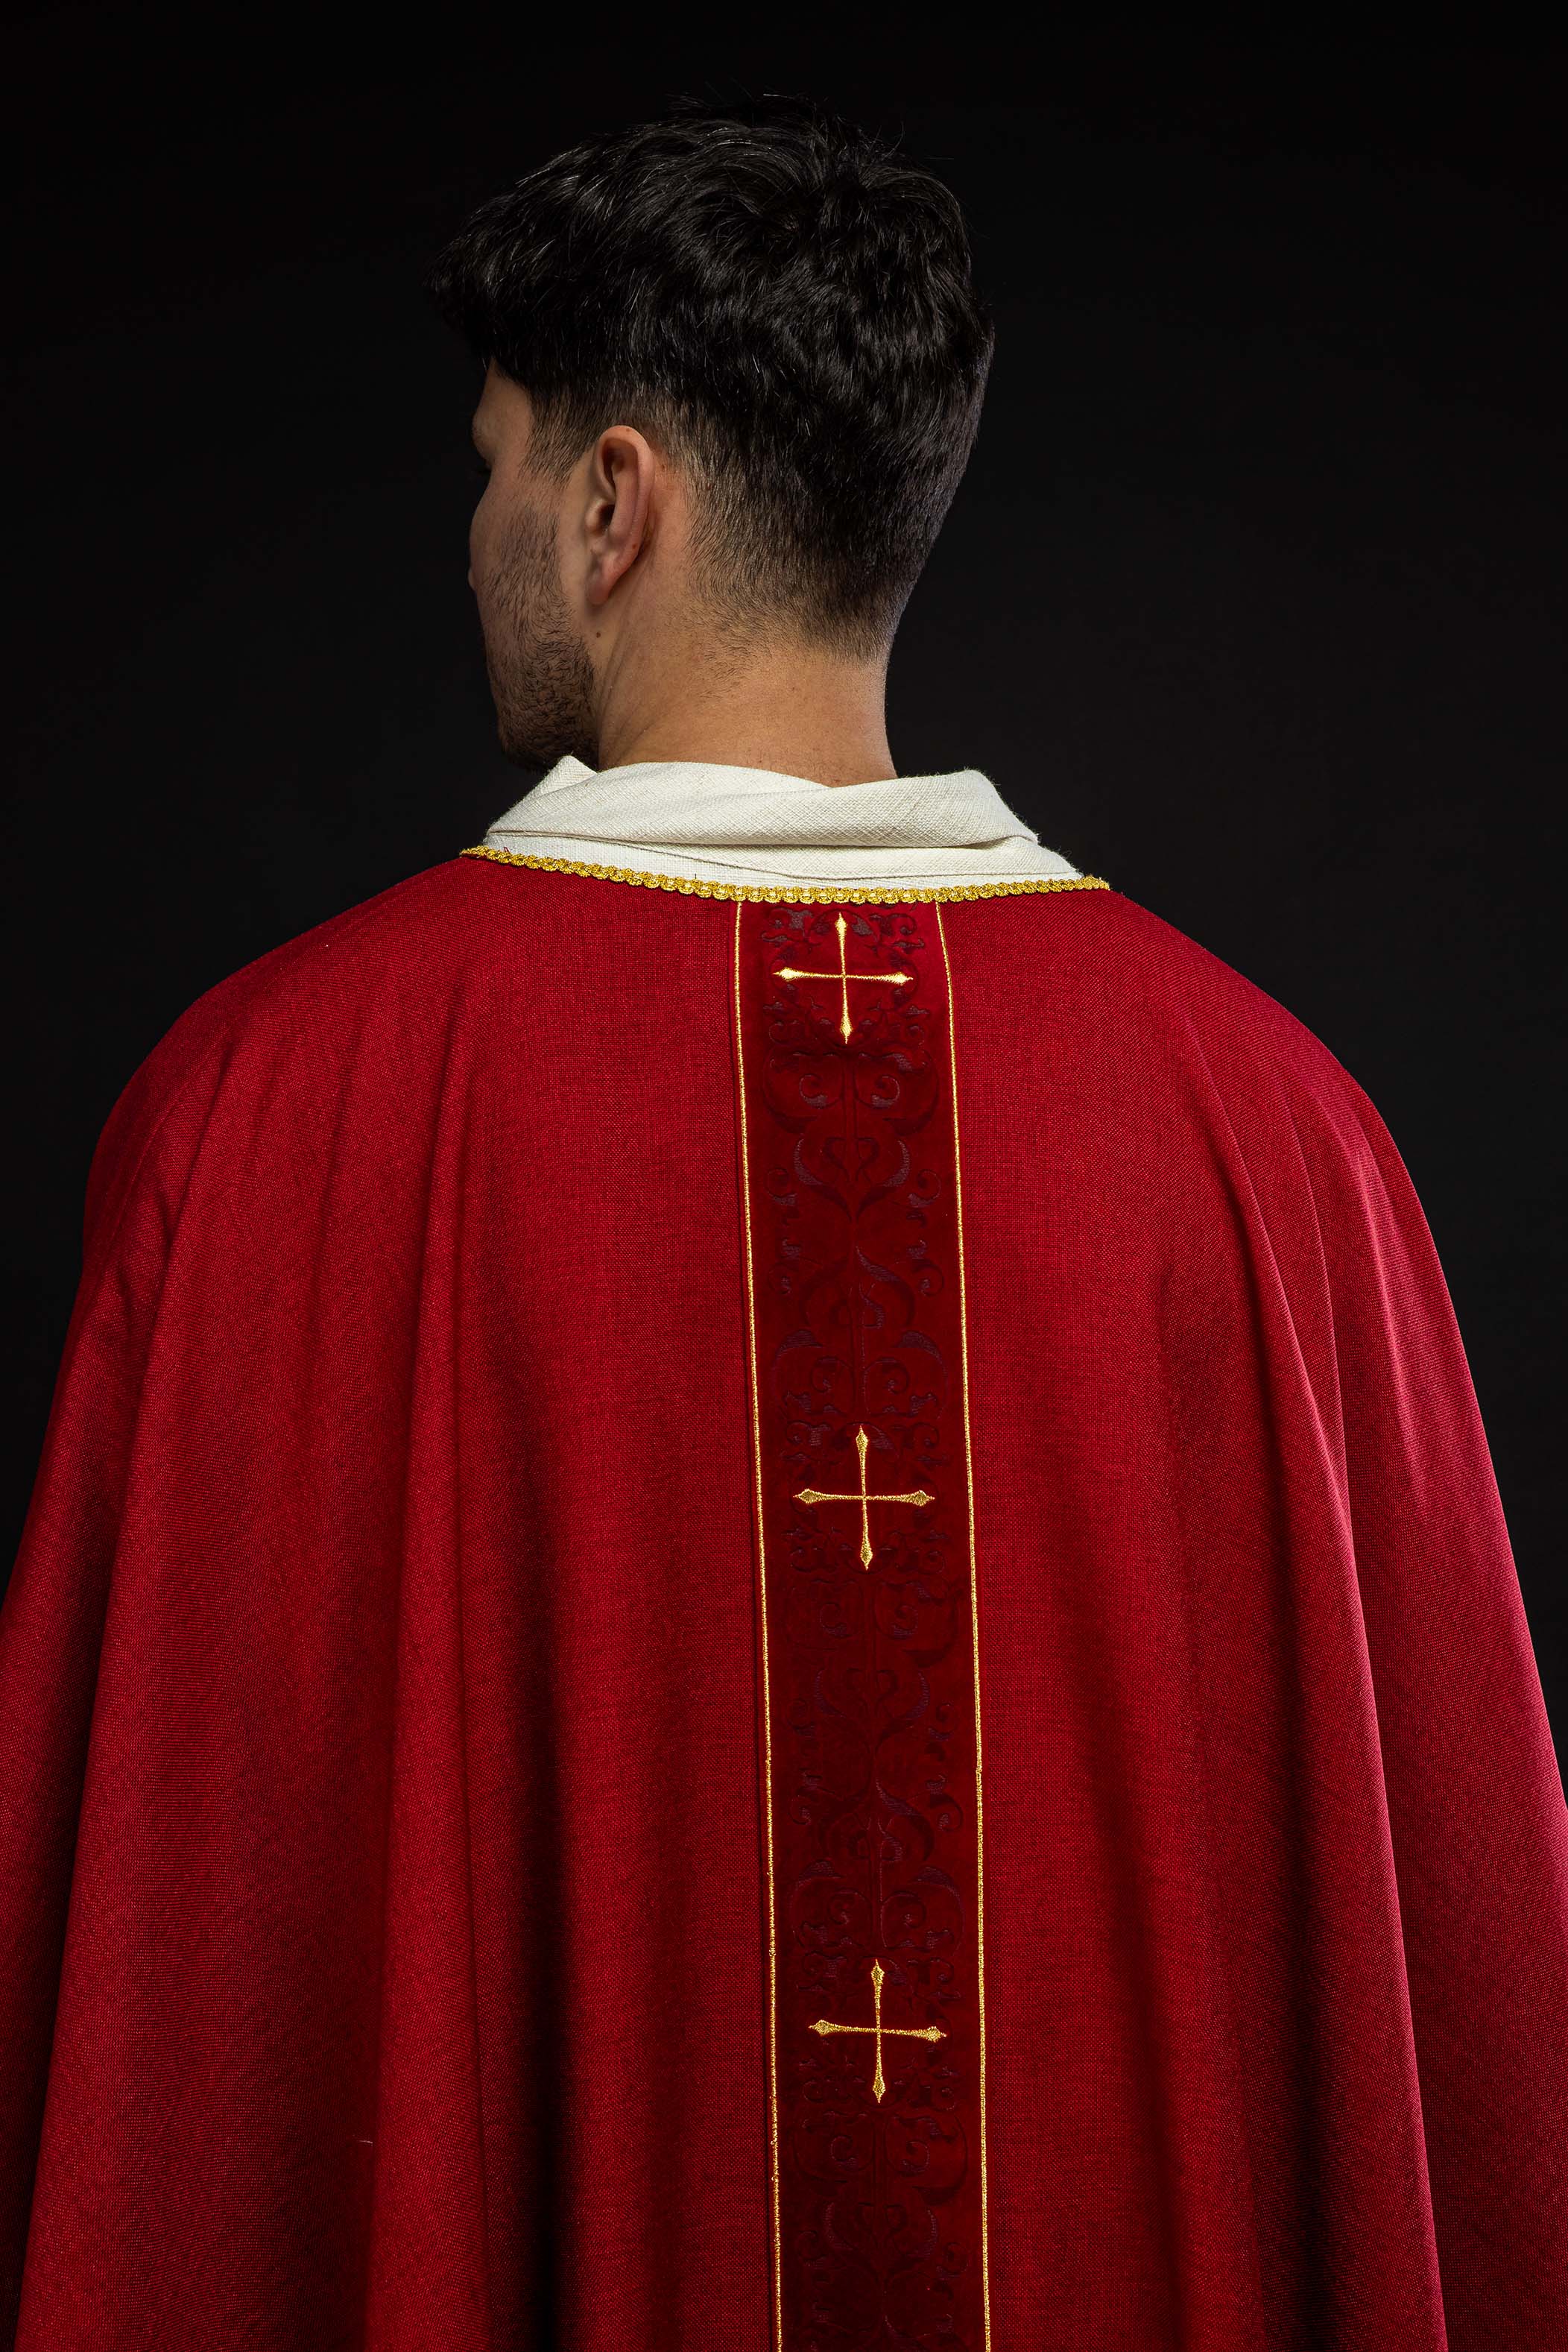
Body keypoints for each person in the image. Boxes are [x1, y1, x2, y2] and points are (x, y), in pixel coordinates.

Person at [1, 94, 1564, 2352]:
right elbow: (1476, 2039)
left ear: (608, 507)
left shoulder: (263, 1113)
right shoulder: (1281, 1139)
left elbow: (159, 2034)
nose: (473, 531)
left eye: (494, 464)